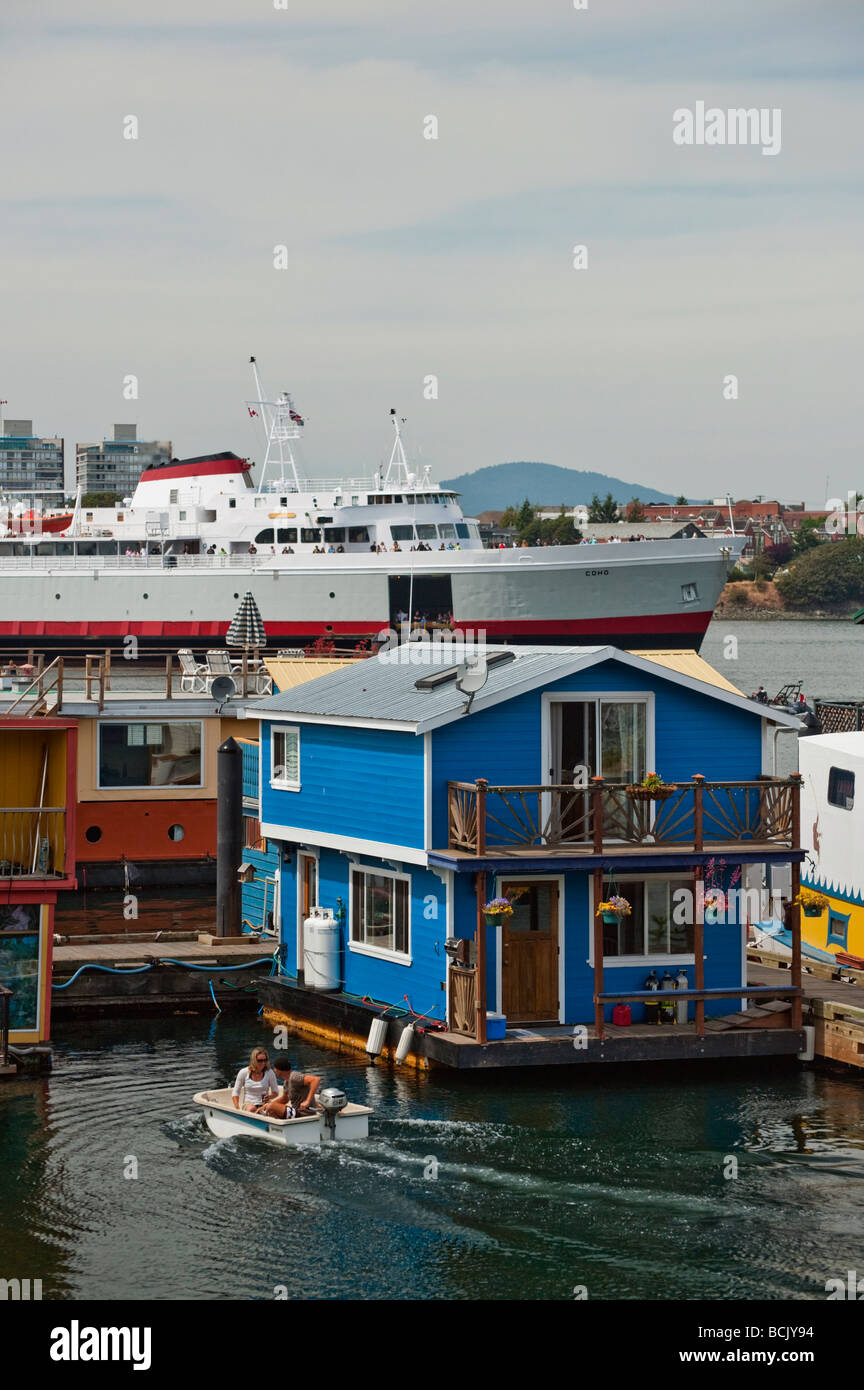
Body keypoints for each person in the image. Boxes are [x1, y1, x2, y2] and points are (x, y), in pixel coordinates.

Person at [259, 1054, 321, 1118]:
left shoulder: (294, 1077)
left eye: (274, 1068)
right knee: (270, 1110)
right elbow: (284, 1099)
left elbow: (316, 1080)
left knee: (271, 1107)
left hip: (304, 1113)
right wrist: (265, 1105)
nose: (274, 1070)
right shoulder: (286, 1082)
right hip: (295, 1112)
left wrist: (307, 1101)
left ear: (279, 1069)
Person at [231, 1046, 280, 1112]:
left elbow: (276, 1092)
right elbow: (235, 1092)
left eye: (265, 1060)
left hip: (264, 1104)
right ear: (254, 1060)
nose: (263, 1063)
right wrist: (237, 1109)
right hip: (248, 1104)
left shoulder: (269, 1073)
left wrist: (270, 1097)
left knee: (275, 1110)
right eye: (260, 1061)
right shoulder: (244, 1072)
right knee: (252, 1109)